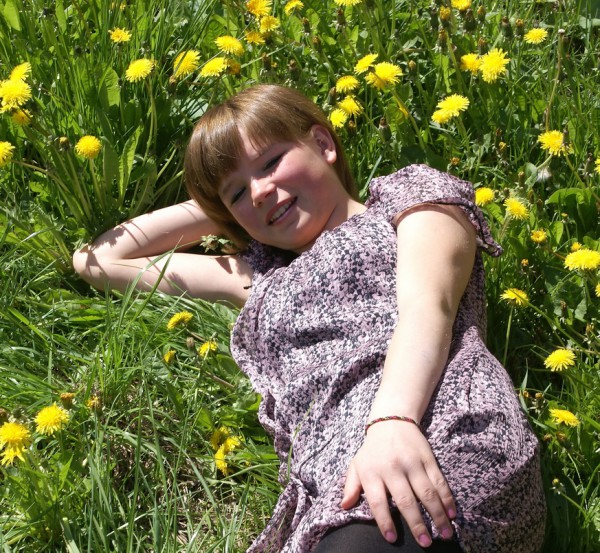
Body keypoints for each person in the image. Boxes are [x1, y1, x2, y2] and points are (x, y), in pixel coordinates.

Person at [73, 84, 546, 553]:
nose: (259, 190)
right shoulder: (258, 278)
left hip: (436, 438)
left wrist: (392, 420)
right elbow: (99, 260)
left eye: (271, 162)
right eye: (238, 192)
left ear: (323, 143)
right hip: (339, 492)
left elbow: (429, 306)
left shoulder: (407, 201)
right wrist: (227, 206)